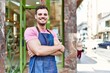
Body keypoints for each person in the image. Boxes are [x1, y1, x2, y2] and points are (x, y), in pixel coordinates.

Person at [24, 5, 65, 73]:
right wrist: (58, 46)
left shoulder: (52, 33)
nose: (42, 16)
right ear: (35, 16)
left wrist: (39, 51)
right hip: (36, 69)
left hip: (52, 69)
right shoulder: (31, 31)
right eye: (40, 14)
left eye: (45, 14)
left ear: (48, 17)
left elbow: (61, 51)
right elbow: (38, 51)